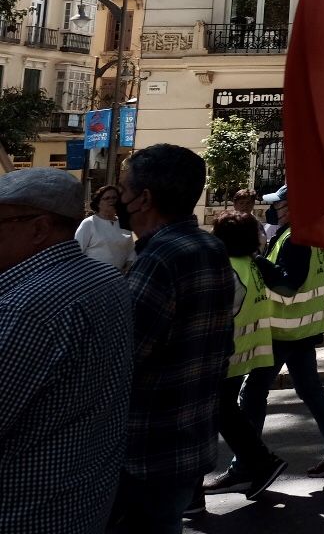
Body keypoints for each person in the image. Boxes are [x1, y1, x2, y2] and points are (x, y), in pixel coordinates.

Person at [0, 168, 132, 534]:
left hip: (22, 512)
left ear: (40, 228)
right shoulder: (104, 279)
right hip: (80, 500)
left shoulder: (26, 308)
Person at [113, 144, 235, 533]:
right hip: (189, 441)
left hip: (144, 450)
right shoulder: (210, 246)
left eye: (122, 190)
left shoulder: (159, 257)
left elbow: (123, 356)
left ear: (143, 198)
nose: (118, 200)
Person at [231, 189, 324, 479]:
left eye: (277, 203)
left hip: (283, 331)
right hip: (302, 329)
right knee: (310, 390)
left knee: (252, 394)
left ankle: (246, 465)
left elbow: (290, 285)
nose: (271, 207)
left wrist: (258, 262)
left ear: (292, 207)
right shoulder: (309, 235)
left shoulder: (296, 237)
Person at [205, 212, 284, 499]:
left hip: (229, 351)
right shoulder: (251, 265)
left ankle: (262, 461)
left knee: (221, 410)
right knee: (226, 409)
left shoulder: (227, 268)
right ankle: (256, 464)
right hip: (249, 349)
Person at [77, 183, 135, 272]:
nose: (111, 201)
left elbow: (131, 251)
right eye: (107, 198)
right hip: (93, 277)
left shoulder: (124, 223)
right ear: (98, 203)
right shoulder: (89, 223)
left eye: (114, 198)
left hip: (118, 278)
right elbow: (77, 252)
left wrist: (128, 268)